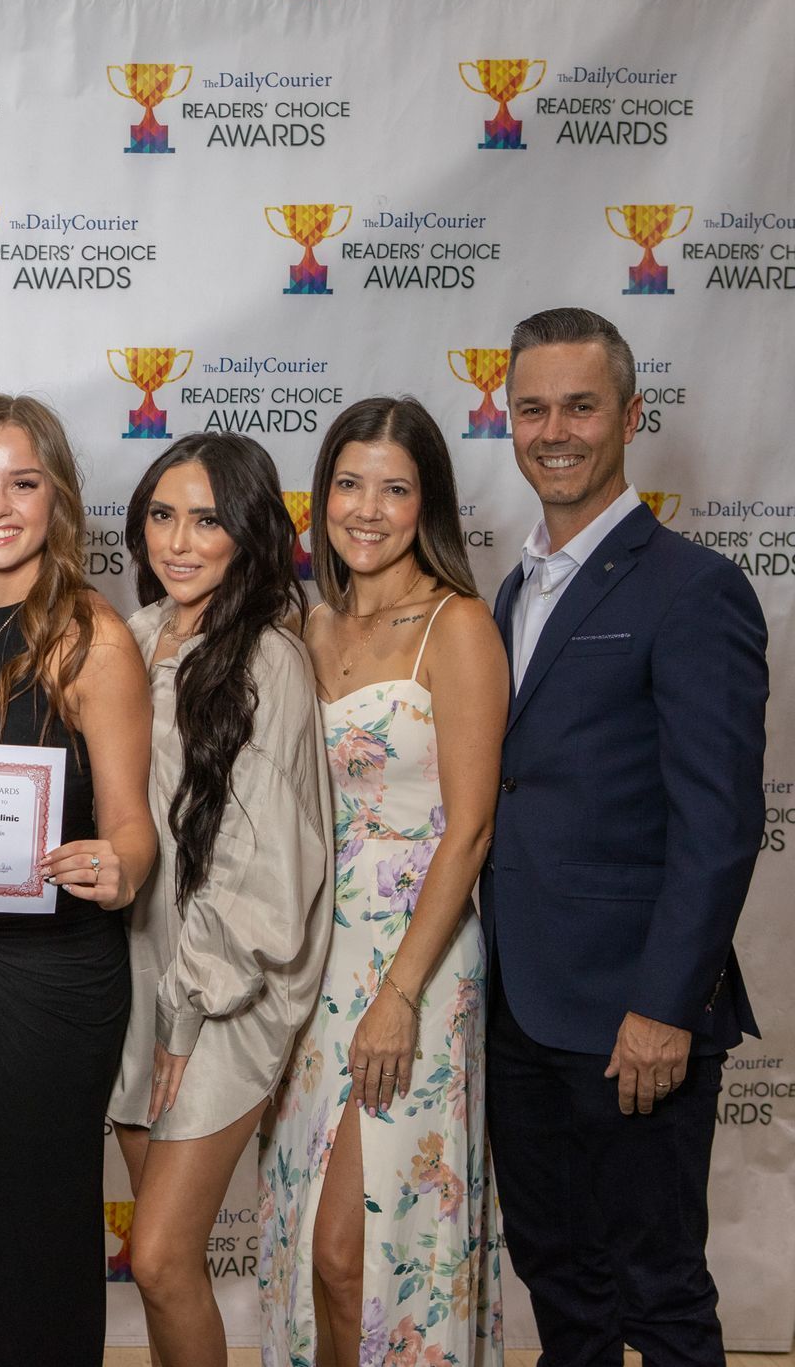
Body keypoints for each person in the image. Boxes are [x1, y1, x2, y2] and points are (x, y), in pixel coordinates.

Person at [484, 308, 766, 1364]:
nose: (555, 429)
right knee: (560, 1279)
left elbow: (721, 822)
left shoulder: (693, 589)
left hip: (631, 1020)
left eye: (581, 405)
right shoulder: (513, 589)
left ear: (631, 416)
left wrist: (663, 1005)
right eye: (533, 407)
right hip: (520, 1008)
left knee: (658, 1292)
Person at [0, 393, 158, 1367]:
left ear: (58, 496)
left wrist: (120, 863)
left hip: (52, 977)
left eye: (23, 481)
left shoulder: (90, 634)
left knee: (36, 1222)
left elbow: (134, 825)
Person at [260, 398, 508, 1367]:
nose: (368, 508)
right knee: (312, 1253)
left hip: (417, 960)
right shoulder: (309, 627)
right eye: (349, 484)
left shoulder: (457, 625)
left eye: (395, 487)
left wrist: (400, 993)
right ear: (319, 501)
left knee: (365, 1246)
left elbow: (472, 826)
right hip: (312, 964)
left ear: (428, 502)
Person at [106, 435, 331, 1367]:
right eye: (163, 514)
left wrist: (184, 1015)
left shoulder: (268, 660)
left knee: (158, 1257)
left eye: (206, 519)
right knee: (167, 1266)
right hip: (129, 976)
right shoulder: (136, 635)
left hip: (220, 990)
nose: (179, 539)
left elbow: (253, 868)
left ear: (248, 533)